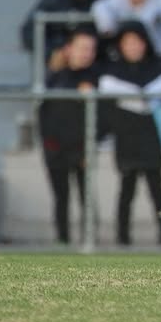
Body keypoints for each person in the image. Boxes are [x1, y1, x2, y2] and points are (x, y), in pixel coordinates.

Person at [98, 21, 161, 246]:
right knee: (127, 189)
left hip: (152, 137)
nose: (133, 47)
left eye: (137, 42)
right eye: (128, 43)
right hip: (127, 138)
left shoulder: (158, 70)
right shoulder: (113, 73)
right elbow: (107, 96)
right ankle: (122, 237)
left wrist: (145, 96)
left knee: (156, 189)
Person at [39, 29, 99, 244]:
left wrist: (90, 147)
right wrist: (49, 146)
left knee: (87, 198)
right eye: (82, 48)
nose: (86, 53)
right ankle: (62, 241)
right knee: (61, 197)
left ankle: (90, 241)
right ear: (68, 49)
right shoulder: (53, 77)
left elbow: (101, 118)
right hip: (56, 148)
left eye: (90, 49)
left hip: (82, 147)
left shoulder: (95, 77)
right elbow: (44, 115)